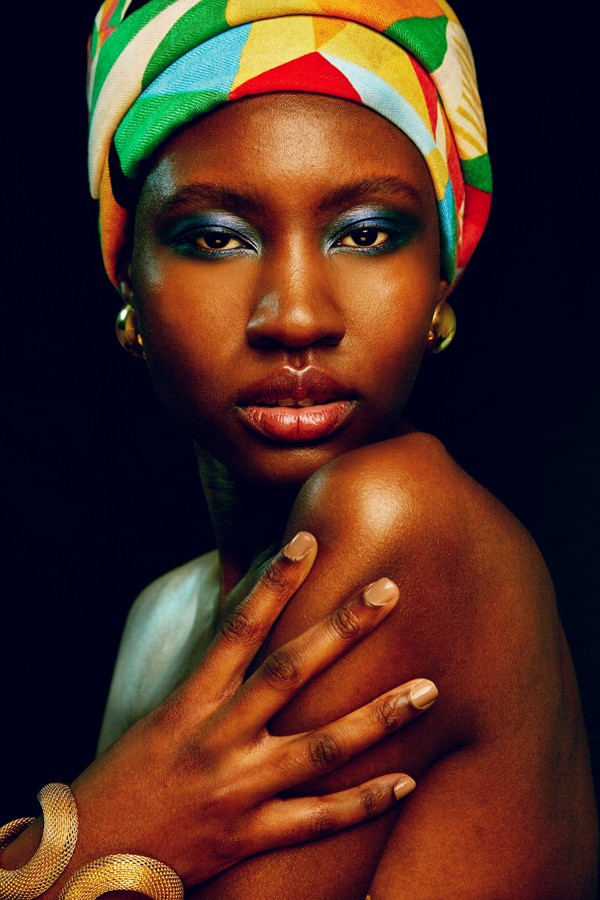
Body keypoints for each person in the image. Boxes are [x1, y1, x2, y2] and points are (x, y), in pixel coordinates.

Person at [2, 0, 598, 897]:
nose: (296, 317)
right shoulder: (159, 618)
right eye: (216, 238)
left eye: (365, 234)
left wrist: (93, 829)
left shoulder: (400, 517)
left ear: (441, 276)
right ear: (128, 282)